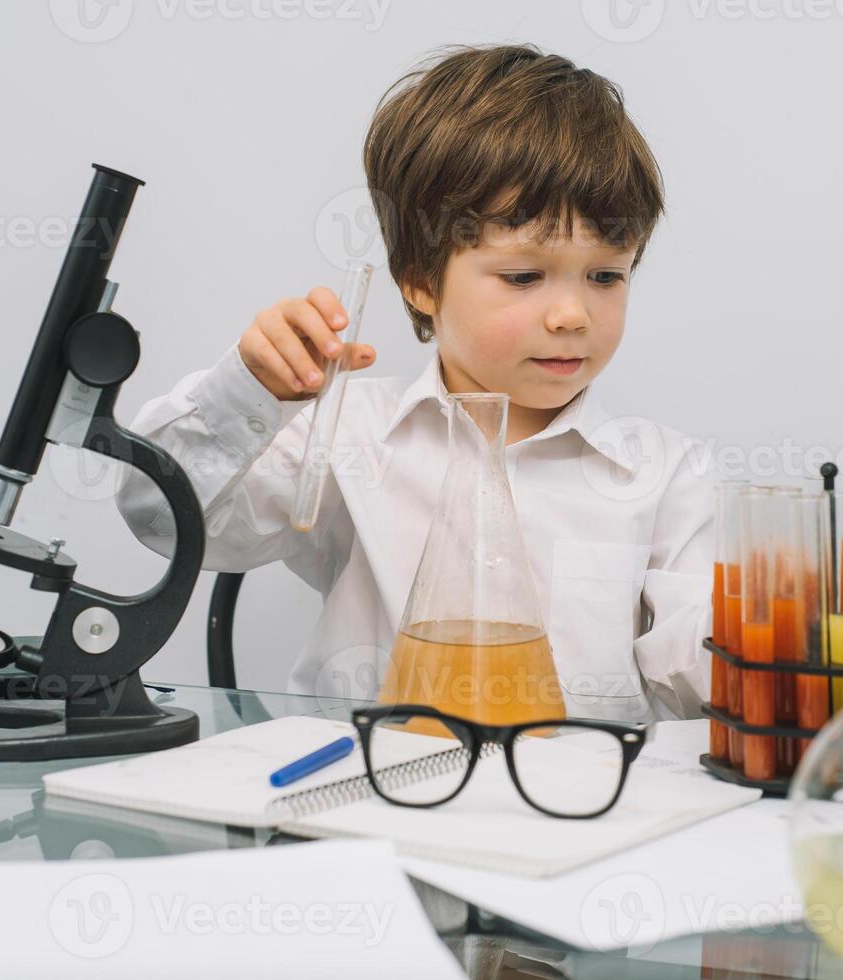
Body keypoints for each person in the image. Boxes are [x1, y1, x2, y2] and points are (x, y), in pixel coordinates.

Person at [117, 44, 713, 722]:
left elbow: (695, 682)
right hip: (369, 804)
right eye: (523, 276)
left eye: (606, 275)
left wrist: (781, 628)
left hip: (576, 813)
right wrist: (251, 390)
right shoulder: (346, 432)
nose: (573, 314)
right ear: (420, 281)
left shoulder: (665, 473)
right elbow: (160, 516)